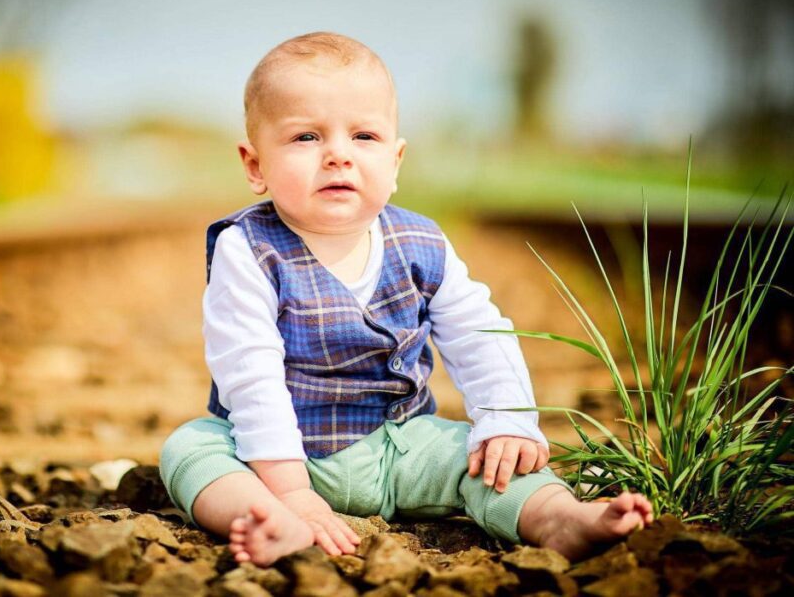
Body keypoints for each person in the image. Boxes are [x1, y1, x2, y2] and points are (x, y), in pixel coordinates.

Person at [159, 32, 653, 567]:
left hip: (401, 446)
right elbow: (249, 371)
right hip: (275, 459)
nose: (338, 155)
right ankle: (272, 522)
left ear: (395, 161)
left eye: (364, 136)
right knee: (192, 448)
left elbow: (479, 334)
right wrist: (291, 491)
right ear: (255, 165)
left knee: (487, 456)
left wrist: (506, 419)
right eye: (306, 137)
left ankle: (559, 518)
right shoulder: (247, 248)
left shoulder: (421, 243)